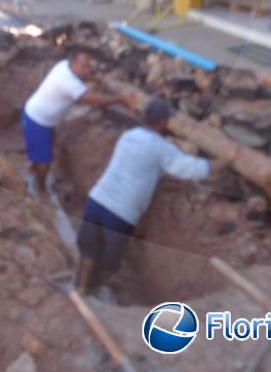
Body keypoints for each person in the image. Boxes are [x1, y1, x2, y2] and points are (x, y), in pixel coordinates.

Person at [75, 98, 238, 295]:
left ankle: (82, 288)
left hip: (97, 199)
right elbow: (191, 169)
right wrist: (225, 160)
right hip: (120, 212)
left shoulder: (129, 135)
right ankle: (99, 292)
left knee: (89, 248)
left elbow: (142, 162)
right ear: (162, 122)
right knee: (110, 259)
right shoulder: (161, 149)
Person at [23, 48, 126, 194]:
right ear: (73, 64)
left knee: (43, 153)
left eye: (88, 66)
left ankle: (35, 169)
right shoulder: (68, 82)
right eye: (84, 67)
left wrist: (95, 78)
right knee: (44, 161)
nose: (87, 70)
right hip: (38, 121)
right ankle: (41, 188)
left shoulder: (64, 65)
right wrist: (120, 99)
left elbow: (84, 79)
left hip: (44, 119)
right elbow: (94, 100)